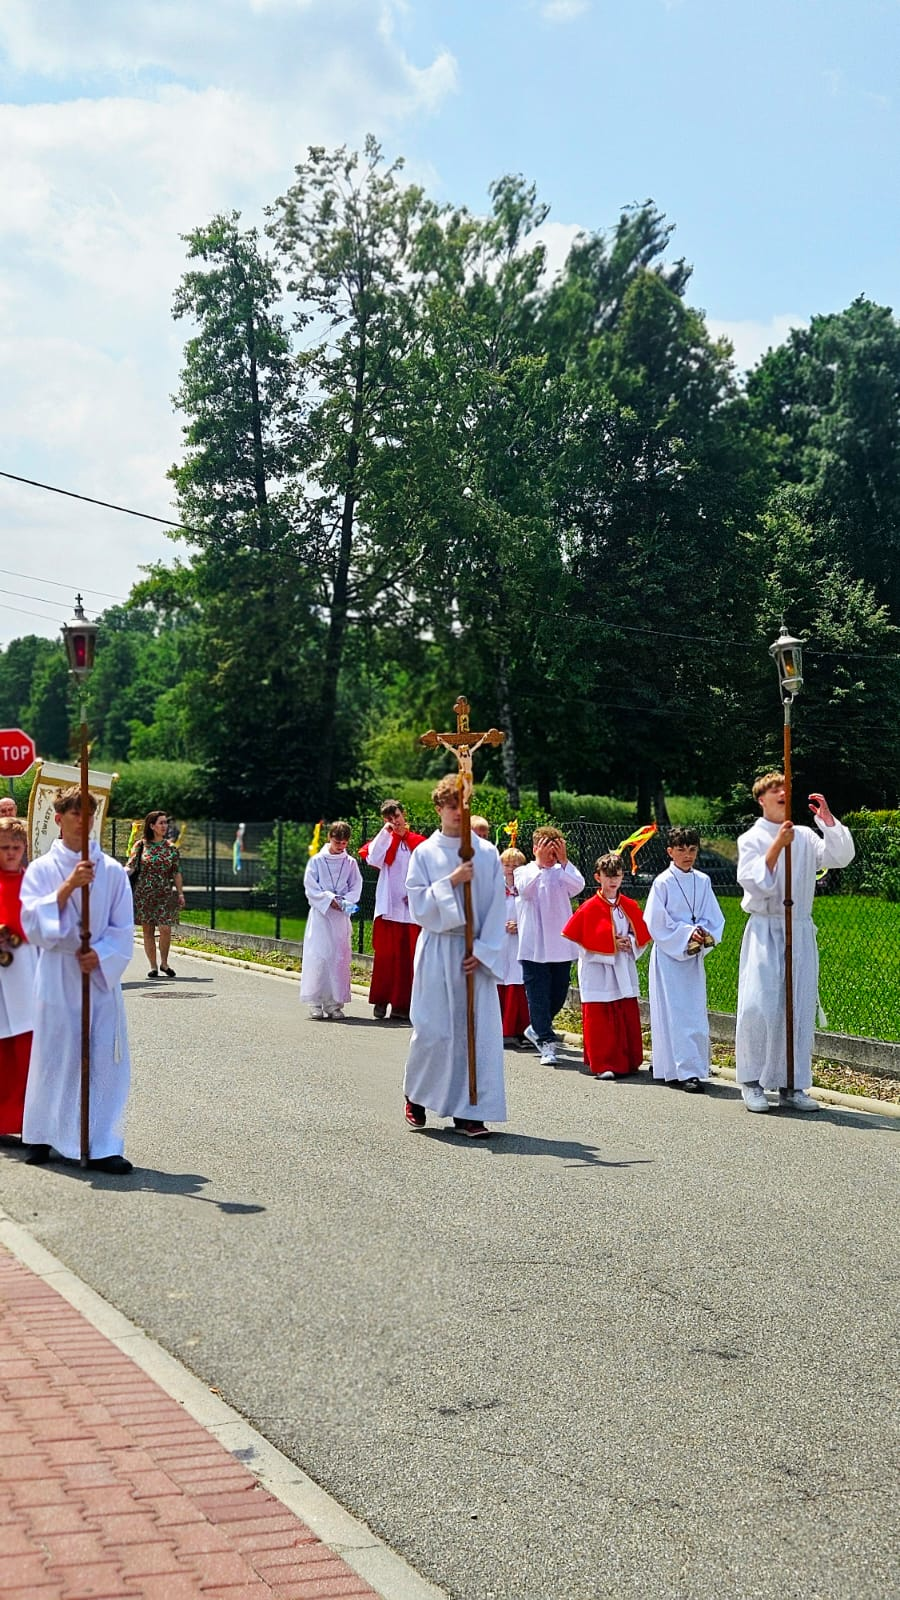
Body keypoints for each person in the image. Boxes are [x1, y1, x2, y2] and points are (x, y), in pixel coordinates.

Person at [21, 786, 135, 1173]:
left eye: (89, 814)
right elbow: (32, 920)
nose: (83, 821)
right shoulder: (40, 869)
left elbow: (123, 927)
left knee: (101, 1055)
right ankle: (42, 1133)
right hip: (58, 972)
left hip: (98, 977)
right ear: (58, 819)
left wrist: (100, 955)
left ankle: (100, 1141)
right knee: (56, 1052)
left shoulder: (114, 871)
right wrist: (69, 886)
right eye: (75, 814)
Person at [735, 773, 855, 1113]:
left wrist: (827, 820)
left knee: (797, 1005)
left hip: (798, 929)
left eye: (785, 789)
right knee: (759, 1004)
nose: (782, 794)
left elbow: (840, 856)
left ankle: (792, 1083)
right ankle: (752, 1080)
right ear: (761, 799)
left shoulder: (803, 836)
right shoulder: (752, 839)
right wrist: (776, 846)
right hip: (766, 928)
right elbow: (754, 882)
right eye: (774, 790)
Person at [403, 777, 507, 1137]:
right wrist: (451, 880)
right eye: (450, 806)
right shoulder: (425, 853)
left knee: (473, 1032)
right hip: (438, 947)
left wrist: (483, 950)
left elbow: (497, 906)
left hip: (473, 953)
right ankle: (415, 1095)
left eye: (463, 805)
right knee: (433, 1029)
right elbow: (417, 902)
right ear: (438, 809)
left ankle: (469, 1112)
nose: (457, 813)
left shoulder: (488, 852)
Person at [644, 826, 725, 1093]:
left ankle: (689, 1065)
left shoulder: (702, 881)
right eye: (681, 850)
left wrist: (703, 933)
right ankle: (677, 1068)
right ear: (670, 852)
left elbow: (714, 917)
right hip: (670, 954)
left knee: (693, 1012)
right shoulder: (663, 882)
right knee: (671, 1011)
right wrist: (688, 933)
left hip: (692, 956)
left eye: (692, 850)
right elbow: (656, 921)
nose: (687, 855)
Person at [562, 852, 651, 1078]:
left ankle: (629, 1060)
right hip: (597, 969)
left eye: (617, 876)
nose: (613, 880)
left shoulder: (629, 905)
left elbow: (640, 935)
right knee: (601, 1017)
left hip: (622, 966)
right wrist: (611, 943)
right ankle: (604, 1063)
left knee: (624, 1012)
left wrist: (629, 943)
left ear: (623, 877)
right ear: (597, 877)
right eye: (608, 875)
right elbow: (582, 942)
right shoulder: (588, 908)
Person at [514, 826, 585, 1066]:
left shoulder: (562, 872)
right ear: (535, 848)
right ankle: (546, 1042)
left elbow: (578, 887)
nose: (551, 854)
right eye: (546, 848)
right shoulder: (524, 871)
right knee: (538, 996)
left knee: (558, 993)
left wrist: (563, 862)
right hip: (533, 946)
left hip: (560, 945)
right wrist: (541, 864)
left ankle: (536, 1027)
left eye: (555, 849)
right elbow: (524, 890)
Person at [360, 800, 426, 1020]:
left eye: (396, 816)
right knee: (386, 957)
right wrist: (386, 832)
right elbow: (373, 858)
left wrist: (416, 892)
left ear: (403, 814)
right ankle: (381, 1000)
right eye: (389, 818)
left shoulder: (418, 842)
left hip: (411, 911)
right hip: (389, 909)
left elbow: (428, 871)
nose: (394, 821)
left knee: (409, 960)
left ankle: (402, 1005)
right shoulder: (384, 840)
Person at [300, 821, 363, 1020]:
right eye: (338, 842)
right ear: (330, 838)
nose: (341, 846)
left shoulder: (350, 862)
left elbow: (356, 886)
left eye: (344, 843)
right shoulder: (317, 861)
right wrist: (328, 899)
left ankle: (334, 1003)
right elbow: (311, 887)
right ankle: (315, 1002)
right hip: (321, 916)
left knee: (339, 957)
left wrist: (344, 901)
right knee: (319, 956)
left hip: (340, 916)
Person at [0, 817, 36, 1137]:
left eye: (16, 847)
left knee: (25, 1047)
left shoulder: (33, 882)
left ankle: (23, 1119)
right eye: (4, 847)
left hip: (26, 973)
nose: (10, 853)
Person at [126, 809, 185, 979]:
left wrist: (180, 893)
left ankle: (164, 963)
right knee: (148, 930)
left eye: (166, 822)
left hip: (165, 894)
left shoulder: (171, 848)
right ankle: (153, 966)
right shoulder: (141, 845)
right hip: (144, 893)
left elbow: (177, 872)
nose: (164, 826)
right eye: (161, 823)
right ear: (151, 826)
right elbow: (130, 867)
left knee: (165, 928)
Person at [497, 846, 531, 1047]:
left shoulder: (525, 890)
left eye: (515, 865)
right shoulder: (493, 889)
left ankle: (518, 1029)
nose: (510, 869)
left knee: (517, 982)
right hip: (500, 942)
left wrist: (520, 925)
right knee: (500, 979)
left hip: (519, 942)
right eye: (507, 864)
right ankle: (499, 1028)